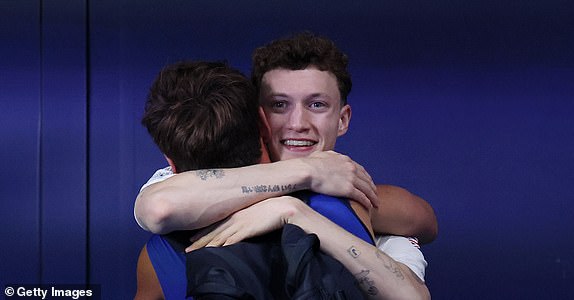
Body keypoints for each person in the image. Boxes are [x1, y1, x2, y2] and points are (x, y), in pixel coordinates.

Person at [136, 32, 434, 299]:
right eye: (280, 105)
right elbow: (159, 206)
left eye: (316, 105)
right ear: (260, 117)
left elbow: (423, 220)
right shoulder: (178, 192)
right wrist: (309, 173)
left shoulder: (351, 190)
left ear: (342, 119)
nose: (298, 124)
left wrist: (291, 210)